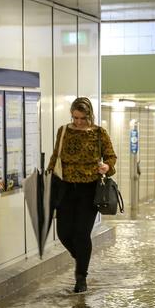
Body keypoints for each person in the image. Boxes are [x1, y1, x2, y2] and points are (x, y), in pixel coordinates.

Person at [47, 97, 117, 293]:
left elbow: (111, 156)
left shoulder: (98, 133)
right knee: (63, 233)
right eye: (75, 117)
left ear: (89, 115)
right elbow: (55, 156)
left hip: (89, 189)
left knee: (81, 233)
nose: (78, 121)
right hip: (65, 188)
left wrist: (107, 166)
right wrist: (49, 175)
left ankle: (81, 278)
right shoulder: (63, 131)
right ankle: (82, 258)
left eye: (82, 118)